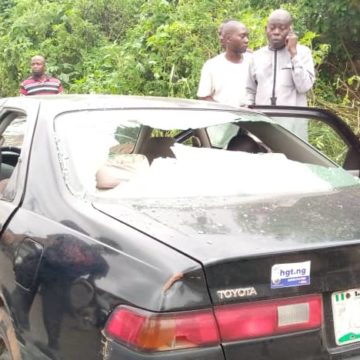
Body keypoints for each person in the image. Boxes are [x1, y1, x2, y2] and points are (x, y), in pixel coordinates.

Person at [246, 9, 315, 139]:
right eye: (272, 28)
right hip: (262, 125)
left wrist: (293, 54)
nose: (276, 32)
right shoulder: (256, 56)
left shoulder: (302, 53)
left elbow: (304, 86)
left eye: (282, 28)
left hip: (292, 127)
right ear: (266, 29)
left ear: (290, 30)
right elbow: (250, 90)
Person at [197, 21, 251, 107]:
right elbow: (204, 97)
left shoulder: (253, 61)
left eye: (247, 36)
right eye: (242, 36)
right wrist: (228, 110)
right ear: (229, 39)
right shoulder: (212, 66)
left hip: (252, 117)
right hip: (223, 117)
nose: (246, 40)